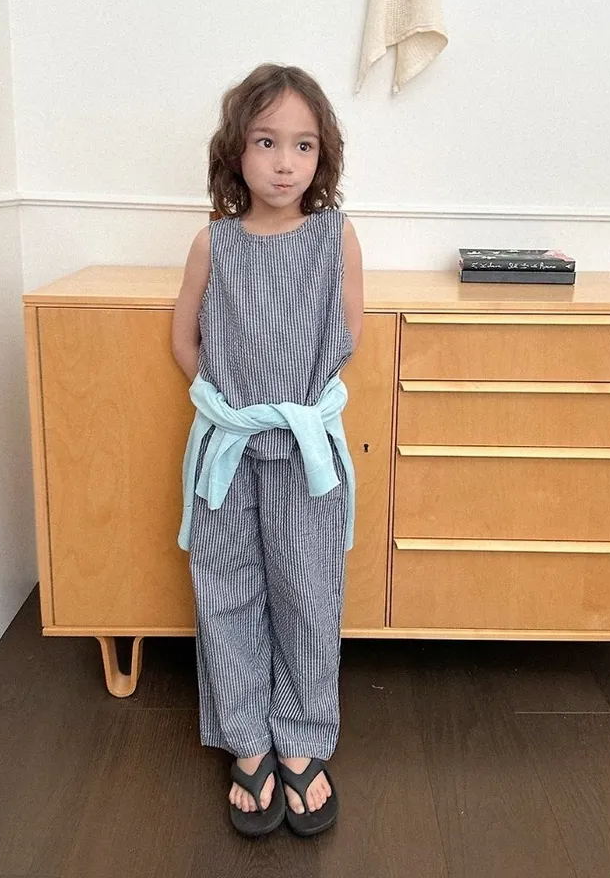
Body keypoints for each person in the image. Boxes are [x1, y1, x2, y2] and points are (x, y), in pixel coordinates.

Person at [172, 63, 364, 837]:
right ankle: (247, 739)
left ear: (322, 156)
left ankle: (303, 737)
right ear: (236, 151)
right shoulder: (213, 243)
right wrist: (228, 410)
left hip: (305, 455)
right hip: (228, 452)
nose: (285, 162)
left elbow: (347, 335)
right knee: (228, 591)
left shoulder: (334, 237)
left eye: (303, 145)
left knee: (307, 594)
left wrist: (295, 412)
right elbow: (184, 338)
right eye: (266, 142)